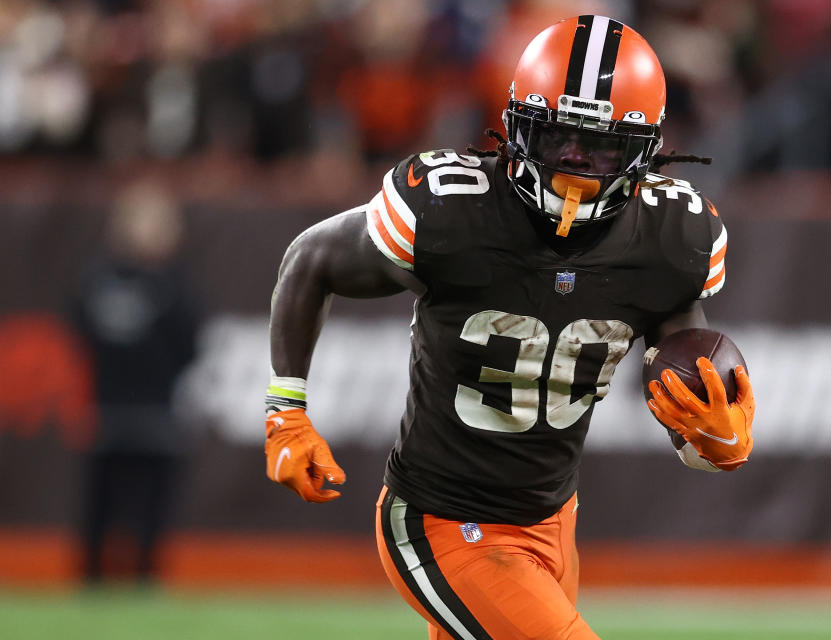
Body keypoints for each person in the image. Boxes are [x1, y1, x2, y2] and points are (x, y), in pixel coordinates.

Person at [265, 15, 755, 640]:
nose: (575, 162)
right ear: (519, 129)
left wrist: (713, 439)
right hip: (443, 523)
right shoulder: (452, 210)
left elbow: (680, 348)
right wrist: (286, 408)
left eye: (600, 145)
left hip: (554, 519)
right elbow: (313, 258)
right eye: (557, 139)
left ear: (644, 150)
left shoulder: (672, 237)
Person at [71, 181, 198, 584]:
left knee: (151, 509)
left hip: (157, 416)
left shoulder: (176, 285)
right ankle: (90, 580)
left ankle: (145, 578)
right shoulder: (97, 279)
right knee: (100, 506)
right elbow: (80, 333)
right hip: (107, 412)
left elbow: (190, 343)